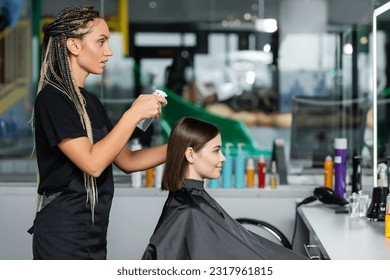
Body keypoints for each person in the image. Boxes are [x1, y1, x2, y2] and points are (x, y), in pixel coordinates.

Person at [29, 5, 168, 260]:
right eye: (101, 41)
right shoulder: (53, 98)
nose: (109, 51)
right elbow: (92, 163)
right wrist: (133, 114)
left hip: (93, 234)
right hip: (62, 234)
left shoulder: (91, 102)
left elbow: (126, 160)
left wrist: (182, 145)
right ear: (74, 45)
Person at [142, 117, 307, 260]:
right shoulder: (189, 211)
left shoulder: (186, 203)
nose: (223, 157)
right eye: (216, 151)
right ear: (190, 155)